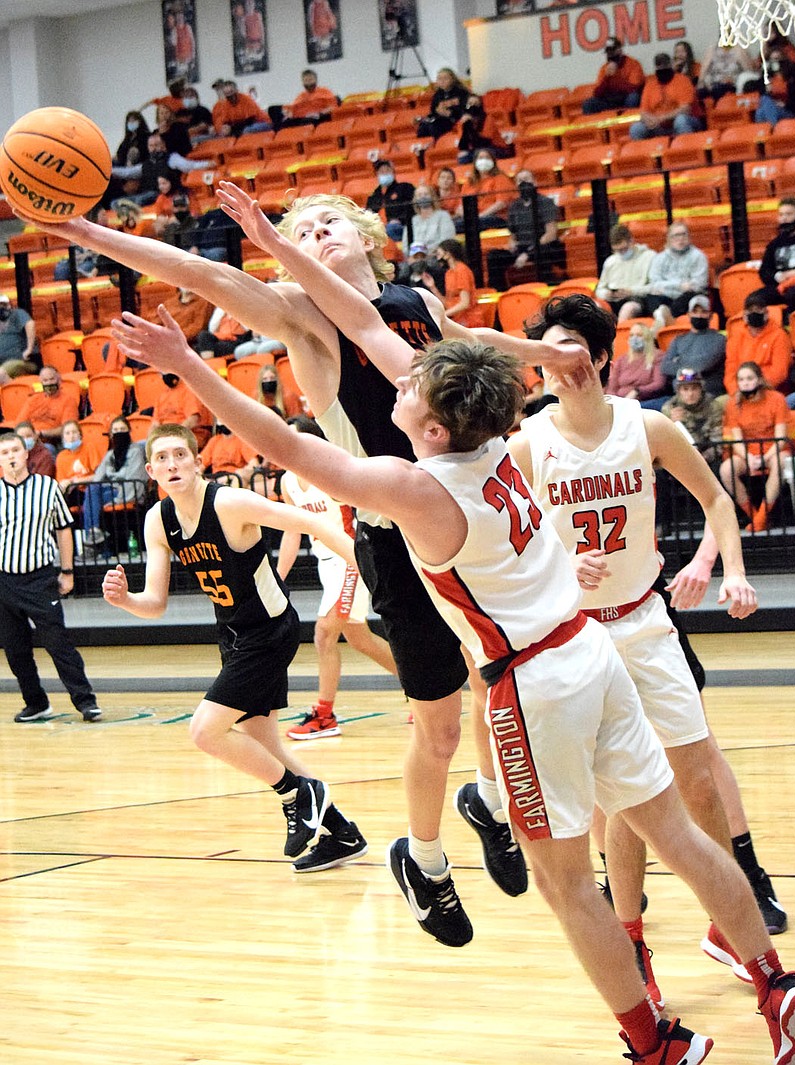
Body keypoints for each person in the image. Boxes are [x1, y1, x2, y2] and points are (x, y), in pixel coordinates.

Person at [109, 272, 795, 1065]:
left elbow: (285, 442)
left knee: (567, 882)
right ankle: (778, 988)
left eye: (409, 389)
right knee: (675, 831)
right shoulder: (501, 440)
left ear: (433, 428)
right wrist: (273, 247)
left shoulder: (414, 488)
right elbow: (373, 328)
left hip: (532, 685)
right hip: (590, 650)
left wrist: (187, 363)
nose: (396, 383)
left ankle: (655, 1044)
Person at [24, 186, 589, 945]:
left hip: (472, 514)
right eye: (303, 228)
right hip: (396, 530)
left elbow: (465, 336)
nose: (318, 232)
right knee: (441, 725)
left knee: (502, 676)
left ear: (365, 236)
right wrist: (89, 231)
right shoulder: (301, 311)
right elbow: (201, 274)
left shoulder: (412, 296)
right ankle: (424, 860)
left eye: (330, 222)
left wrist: (543, 355)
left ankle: (489, 802)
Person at [509, 293, 787, 1008]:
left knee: (698, 778)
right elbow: (507, 546)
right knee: (625, 803)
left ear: (601, 357)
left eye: (568, 345)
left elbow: (718, 501)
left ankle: (733, 927)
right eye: (544, 349)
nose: (553, 361)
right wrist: (558, 568)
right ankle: (632, 935)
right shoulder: (528, 444)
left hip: (644, 619)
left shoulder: (649, 425)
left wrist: (726, 568)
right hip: (575, 634)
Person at [101, 422, 367, 872]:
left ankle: (297, 794)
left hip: (269, 631)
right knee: (269, 748)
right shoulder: (158, 521)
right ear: (150, 470)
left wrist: (368, 567)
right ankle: (342, 834)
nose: (172, 464)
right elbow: (156, 603)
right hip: (234, 635)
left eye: (180, 455)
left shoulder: (228, 502)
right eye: (162, 458)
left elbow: (308, 521)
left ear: (197, 461)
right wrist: (125, 600)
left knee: (205, 730)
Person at [277, 414, 398, 742]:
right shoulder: (287, 482)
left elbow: (361, 513)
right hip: (325, 562)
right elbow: (292, 531)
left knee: (324, 634)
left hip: (350, 558)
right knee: (361, 640)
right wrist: (278, 577)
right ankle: (420, 689)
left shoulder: (328, 475)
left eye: (295, 438)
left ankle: (325, 715)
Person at [0, 431, 102, 723]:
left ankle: (86, 702)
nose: (10, 456)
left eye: (15, 451)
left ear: (26, 453)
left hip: (40, 578)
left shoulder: (47, 488)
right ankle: (36, 703)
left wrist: (67, 571)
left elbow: (64, 530)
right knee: (15, 651)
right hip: (4, 581)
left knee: (58, 644)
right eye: (4, 452)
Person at [720, 361, 790, 532]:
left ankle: (762, 517)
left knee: (782, 462)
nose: (745, 383)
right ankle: (753, 514)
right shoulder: (733, 403)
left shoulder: (777, 399)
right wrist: (749, 458)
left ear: (759, 380)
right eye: (741, 379)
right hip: (748, 453)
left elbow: (781, 437)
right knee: (726, 470)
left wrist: (764, 458)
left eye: (749, 378)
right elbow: (737, 440)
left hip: (773, 450)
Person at [485, 169, 564, 290]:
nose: (523, 183)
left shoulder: (545, 202)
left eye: (526, 179)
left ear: (535, 182)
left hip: (543, 246)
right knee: (494, 256)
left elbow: (551, 234)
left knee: (542, 253)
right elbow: (513, 235)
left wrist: (528, 253)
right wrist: (513, 245)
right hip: (521, 247)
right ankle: (501, 293)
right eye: (520, 181)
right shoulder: (514, 206)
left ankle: (548, 288)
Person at [82, 415, 149, 550]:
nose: (119, 433)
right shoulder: (110, 454)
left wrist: (119, 500)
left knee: (92, 498)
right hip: (110, 491)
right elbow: (98, 478)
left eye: (122, 429)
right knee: (92, 490)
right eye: (116, 430)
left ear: (129, 431)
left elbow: (134, 480)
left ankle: (92, 536)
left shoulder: (136, 451)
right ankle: (94, 532)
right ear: (111, 434)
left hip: (128, 493)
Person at [658, 294, 727, 400]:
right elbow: (665, 366)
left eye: (703, 312)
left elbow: (702, 365)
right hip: (679, 397)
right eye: (695, 312)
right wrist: (691, 364)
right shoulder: (679, 340)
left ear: (711, 315)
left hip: (708, 396)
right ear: (689, 314)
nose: (699, 316)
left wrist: (679, 361)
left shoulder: (720, 339)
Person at [723, 291, 793, 396]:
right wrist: (735, 391)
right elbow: (730, 371)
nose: (754, 313)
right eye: (750, 310)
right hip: (740, 391)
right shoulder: (735, 338)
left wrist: (754, 388)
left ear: (766, 313)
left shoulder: (779, 335)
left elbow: (780, 372)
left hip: (770, 392)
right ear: (744, 314)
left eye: (758, 309)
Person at [642, 221, 710, 327]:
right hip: (665, 296)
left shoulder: (699, 256)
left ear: (689, 237)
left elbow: (699, 284)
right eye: (676, 235)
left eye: (683, 234)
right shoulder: (659, 258)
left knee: (691, 295)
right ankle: (662, 316)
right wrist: (679, 285)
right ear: (668, 239)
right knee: (651, 296)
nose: (680, 238)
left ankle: (665, 319)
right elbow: (654, 283)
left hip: (685, 298)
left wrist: (667, 286)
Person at [629, 52, 703, 140]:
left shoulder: (683, 80)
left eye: (665, 67)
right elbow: (643, 112)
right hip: (659, 126)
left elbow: (685, 109)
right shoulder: (650, 85)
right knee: (636, 128)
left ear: (670, 65)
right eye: (659, 68)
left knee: (681, 120)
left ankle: (687, 149)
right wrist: (650, 120)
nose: (662, 71)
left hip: (687, 121)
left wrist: (662, 118)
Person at [594, 223, 655, 320]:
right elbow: (599, 290)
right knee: (594, 307)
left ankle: (620, 334)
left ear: (631, 241)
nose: (621, 253)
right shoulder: (610, 261)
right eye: (617, 250)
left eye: (623, 249)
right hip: (612, 299)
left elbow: (655, 286)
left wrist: (631, 291)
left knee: (627, 309)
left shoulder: (649, 256)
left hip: (637, 298)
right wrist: (607, 294)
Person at [661, 369, 724, 464]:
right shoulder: (669, 408)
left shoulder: (713, 406)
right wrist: (671, 423)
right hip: (679, 458)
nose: (690, 394)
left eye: (694, 388)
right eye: (685, 389)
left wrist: (704, 457)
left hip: (708, 456)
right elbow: (663, 443)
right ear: (678, 391)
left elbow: (718, 442)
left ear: (701, 389)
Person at [421, 239, 483, 328]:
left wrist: (443, 316)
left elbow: (465, 303)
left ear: (448, 253)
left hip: (469, 320)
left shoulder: (462, 270)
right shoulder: (449, 273)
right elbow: (448, 304)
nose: (437, 255)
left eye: (439, 252)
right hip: (455, 319)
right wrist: (433, 287)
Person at [754, 196, 795, 314]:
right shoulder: (774, 244)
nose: (784, 219)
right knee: (755, 300)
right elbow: (764, 271)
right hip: (780, 285)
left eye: (789, 214)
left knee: (793, 295)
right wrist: (779, 276)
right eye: (781, 215)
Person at [18, 367, 80, 452]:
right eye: (45, 380)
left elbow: (68, 429)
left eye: (52, 379)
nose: (49, 383)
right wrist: (29, 435)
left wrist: (41, 433)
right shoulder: (32, 399)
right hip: (28, 440)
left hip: (51, 443)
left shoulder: (68, 401)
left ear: (59, 380)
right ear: (41, 382)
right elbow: (20, 424)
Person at [454, 148, 516, 231]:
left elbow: (501, 203)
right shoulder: (469, 183)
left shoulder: (501, 178)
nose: (484, 160)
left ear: (493, 161)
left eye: (487, 158)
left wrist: (481, 215)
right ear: (475, 162)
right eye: (480, 158)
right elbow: (460, 206)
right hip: (473, 219)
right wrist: (468, 217)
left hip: (496, 217)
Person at [604, 322, 666, 402]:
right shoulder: (621, 359)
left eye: (639, 335)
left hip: (645, 400)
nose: (634, 338)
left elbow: (659, 384)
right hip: (621, 402)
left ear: (647, 338)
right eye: (631, 335)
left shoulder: (658, 356)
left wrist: (637, 391)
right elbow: (612, 388)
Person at [582, 36, 645, 114]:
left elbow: (635, 89)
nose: (610, 54)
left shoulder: (633, 64)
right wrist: (607, 77)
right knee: (588, 104)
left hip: (626, 98)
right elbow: (597, 93)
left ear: (620, 50)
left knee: (634, 97)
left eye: (612, 51)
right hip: (610, 101)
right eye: (608, 52)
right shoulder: (604, 68)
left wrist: (616, 78)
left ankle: (629, 123)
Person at [153, 371, 212, 449]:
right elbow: (155, 424)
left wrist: (173, 436)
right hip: (165, 438)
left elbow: (193, 420)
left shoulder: (189, 390)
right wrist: (151, 440)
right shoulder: (162, 395)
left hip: (189, 434)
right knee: (137, 448)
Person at [365, 161, 416, 245]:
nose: (385, 173)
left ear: (393, 172)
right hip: (379, 228)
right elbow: (369, 213)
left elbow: (413, 208)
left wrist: (400, 220)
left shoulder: (404, 188)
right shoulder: (374, 195)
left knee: (391, 228)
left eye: (387, 170)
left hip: (400, 226)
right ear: (377, 174)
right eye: (382, 172)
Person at [55, 419, 104, 505]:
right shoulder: (61, 457)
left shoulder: (89, 448)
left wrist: (78, 481)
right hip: (71, 492)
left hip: (89, 490)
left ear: (80, 435)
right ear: (63, 438)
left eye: (74, 432)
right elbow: (61, 482)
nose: (71, 436)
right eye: (67, 433)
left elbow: (100, 474)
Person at [415, 67, 471, 141]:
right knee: (423, 127)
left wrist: (450, 114)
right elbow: (433, 111)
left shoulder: (461, 92)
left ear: (453, 79)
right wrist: (423, 119)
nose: (442, 81)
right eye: (439, 79)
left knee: (435, 127)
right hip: (440, 120)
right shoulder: (438, 94)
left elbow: (466, 109)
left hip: (454, 120)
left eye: (445, 78)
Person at [456, 93, 511, 163]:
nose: (472, 106)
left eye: (476, 103)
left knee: (482, 153)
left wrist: (471, 126)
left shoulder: (488, 119)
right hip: (477, 150)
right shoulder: (463, 122)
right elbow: (463, 145)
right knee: (462, 158)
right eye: (470, 103)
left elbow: (485, 141)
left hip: (496, 148)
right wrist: (467, 125)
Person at [406, 185, 456, 254]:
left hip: (437, 255)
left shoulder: (443, 215)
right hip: (416, 257)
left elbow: (447, 239)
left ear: (432, 197)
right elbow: (406, 245)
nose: (423, 197)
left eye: (426, 194)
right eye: (419, 195)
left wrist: (429, 252)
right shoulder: (412, 220)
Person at [0, 293, 37, 371]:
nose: (1, 307)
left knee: (3, 371)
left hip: (20, 362)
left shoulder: (17, 313)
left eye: (3, 305)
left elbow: (30, 324)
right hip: (2, 363)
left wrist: (29, 349)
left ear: (9, 305)